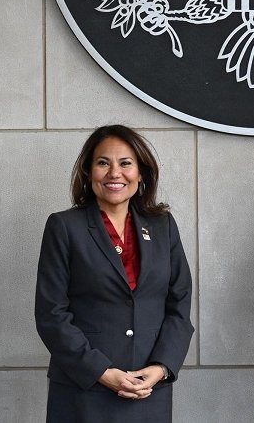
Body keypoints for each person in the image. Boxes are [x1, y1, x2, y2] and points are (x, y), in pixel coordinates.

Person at [35, 125, 194, 423]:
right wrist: (101, 372)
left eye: (125, 163)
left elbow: (179, 306)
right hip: (84, 390)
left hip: (148, 391)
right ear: (88, 171)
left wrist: (161, 368)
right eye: (103, 162)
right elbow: (51, 314)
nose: (114, 173)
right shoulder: (64, 227)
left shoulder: (163, 226)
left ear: (141, 173)